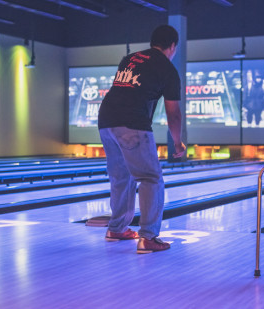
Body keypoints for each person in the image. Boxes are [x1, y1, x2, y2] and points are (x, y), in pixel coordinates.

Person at [97, 25, 186, 254]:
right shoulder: (167, 68)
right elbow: (173, 113)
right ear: (173, 46)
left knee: (121, 176)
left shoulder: (130, 58)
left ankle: (116, 229)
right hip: (133, 124)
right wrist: (178, 142)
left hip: (106, 121)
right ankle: (148, 237)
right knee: (151, 178)